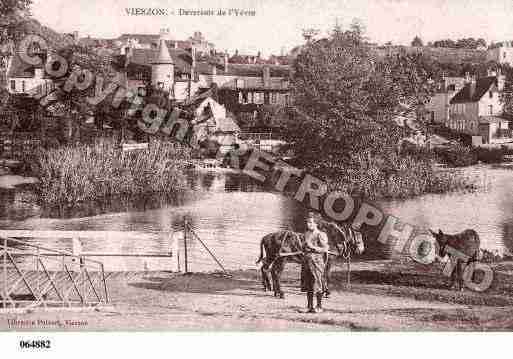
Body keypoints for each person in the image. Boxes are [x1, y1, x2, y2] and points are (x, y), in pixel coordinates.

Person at [302, 214, 329, 313]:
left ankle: (319, 306)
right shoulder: (307, 234)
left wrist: (313, 247)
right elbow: (305, 247)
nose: (308, 224)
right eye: (307, 222)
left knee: (317, 283)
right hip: (307, 261)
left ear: (316, 223)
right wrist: (304, 247)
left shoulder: (321, 234)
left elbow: (325, 248)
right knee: (308, 284)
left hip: (317, 261)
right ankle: (309, 306)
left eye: (311, 222)